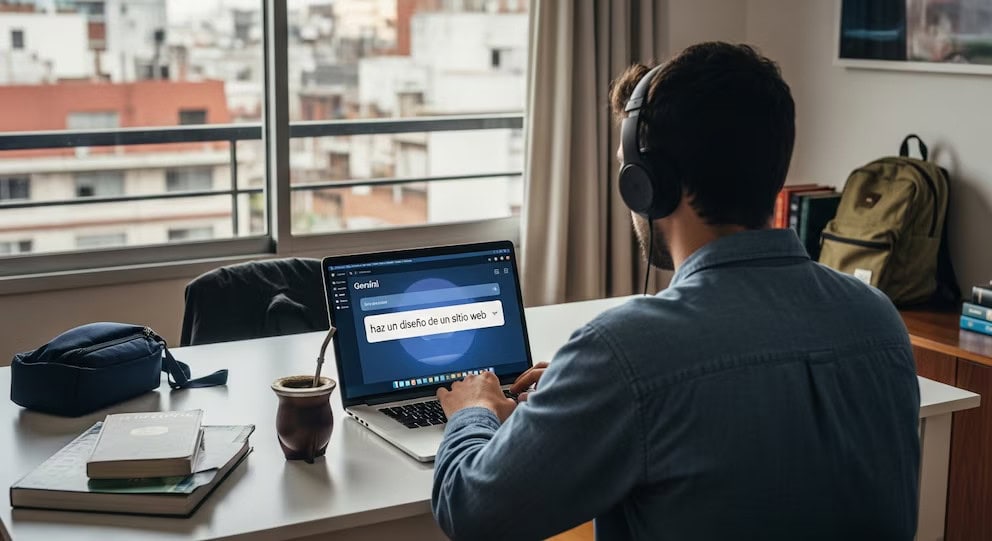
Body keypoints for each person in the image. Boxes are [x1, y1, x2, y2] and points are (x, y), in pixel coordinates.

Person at [432, 42, 920, 540]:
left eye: (627, 166)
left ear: (647, 184)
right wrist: (583, 387)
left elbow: (473, 512)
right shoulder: (876, 318)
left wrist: (475, 411)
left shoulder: (626, 353)